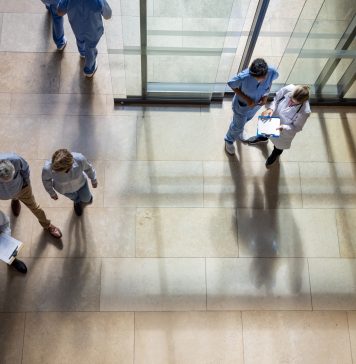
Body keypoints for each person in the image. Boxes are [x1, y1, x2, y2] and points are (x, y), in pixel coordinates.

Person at [0, 153, 62, 239]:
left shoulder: (15, 159)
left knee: (35, 208)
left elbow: (25, 169)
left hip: (22, 189)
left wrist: (27, 183)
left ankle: (47, 225)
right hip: (3, 194)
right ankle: (15, 199)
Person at [225, 58, 279, 155]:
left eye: (263, 77)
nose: (261, 80)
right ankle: (229, 140)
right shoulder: (243, 77)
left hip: (255, 105)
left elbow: (270, 82)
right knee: (238, 125)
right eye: (257, 78)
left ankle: (238, 128)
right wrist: (247, 99)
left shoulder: (272, 71)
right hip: (242, 106)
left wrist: (266, 95)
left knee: (246, 120)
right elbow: (231, 84)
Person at [247, 84, 311, 167]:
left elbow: (297, 127)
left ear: (302, 102)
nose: (290, 102)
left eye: (294, 103)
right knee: (265, 131)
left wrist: (284, 127)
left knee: (279, 146)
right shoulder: (288, 89)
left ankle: (275, 154)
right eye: (291, 98)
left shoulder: (305, 111)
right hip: (273, 118)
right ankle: (263, 138)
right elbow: (275, 100)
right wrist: (271, 108)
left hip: (284, 131)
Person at [57, 0, 112, 77]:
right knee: (90, 48)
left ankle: (82, 52)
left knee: (80, 40)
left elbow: (59, 12)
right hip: (93, 30)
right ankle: (89, 69)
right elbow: (108, 15)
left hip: (77, 28)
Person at [42, 149, 98, 216]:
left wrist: (93, 179)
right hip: (65, 190)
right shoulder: (47, 169)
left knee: (87, 199)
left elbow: (88, 168)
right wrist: (52, 193)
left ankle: (86, 198)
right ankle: (76, 202)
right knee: (75, 198)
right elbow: (46, 180)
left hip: (81, 184)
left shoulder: (79, 159)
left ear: (71, 165)